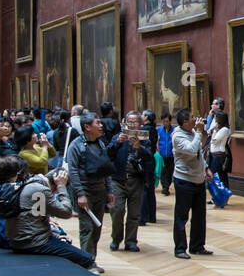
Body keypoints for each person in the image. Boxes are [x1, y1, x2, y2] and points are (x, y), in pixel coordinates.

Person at [3, 153, 101, 272]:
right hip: (33, 242)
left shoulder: (31, 183)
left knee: (64, 240)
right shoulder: (40, 189)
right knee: (87, 258)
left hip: (18, 239)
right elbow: (66, 212)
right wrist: (62, 187)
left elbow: (34, 213)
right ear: (54, 184)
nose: (54, 195)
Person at [66, 114, 116, 259]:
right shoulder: (76, 145)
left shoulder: (100, 143)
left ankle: (91, 258)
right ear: (87, 127)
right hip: (85, 192)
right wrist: (80, 194)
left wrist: (110, 190)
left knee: (97, 227)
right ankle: (88, 262)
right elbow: (73, 171)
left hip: (100, 190)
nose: (101, 125)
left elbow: (105, 167)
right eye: (98, 123)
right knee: (87, 228)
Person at [109, 111, 152, 253]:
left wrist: (139, 147)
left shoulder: (144, 139)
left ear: (140, 124)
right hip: (118, 180)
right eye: (130, 122)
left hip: (136, 180)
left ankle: (131, 241)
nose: (132, 124)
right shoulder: (117, 137)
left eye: (135, 122)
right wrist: (117, 143)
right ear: (125, 123)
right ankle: (116, 238)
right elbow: (107, 154)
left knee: (134, 213)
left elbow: (149, 158)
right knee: (117, 210)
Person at [171, 108, 212, 258]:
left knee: (200, 216)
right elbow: (192, 149)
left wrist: (206, 168)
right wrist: (200, 132)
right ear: (185, 122)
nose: (196, 119)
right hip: (184, 181)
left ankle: (197, 246)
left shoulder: (193, 132)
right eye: (192, 117)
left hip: (198, 180)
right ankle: (180, 249)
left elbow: (199, 153)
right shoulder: (177, 136)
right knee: (182, 216)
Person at [209, 110, 232, 189]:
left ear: (220, 119)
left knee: (219, 177)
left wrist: (214, 131)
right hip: (215, 156)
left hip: (219, 156)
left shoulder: (224, 129)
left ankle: (223, 197)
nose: (215, 119)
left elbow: (214, 140)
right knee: (218, 177)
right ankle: (217, 198)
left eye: (216, 118)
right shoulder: (220, 129)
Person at [157, 109, 175, 195]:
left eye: (167, 121)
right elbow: (157, 141)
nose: (165, 123)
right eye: (164, 121)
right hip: (162, 154)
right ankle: (165, 187)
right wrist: (158, 151)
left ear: (170, 121)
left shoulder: (174, 130)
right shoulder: (159, 130)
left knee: (170, 172)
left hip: (171, 155)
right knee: (163, 171)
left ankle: (167, 185)